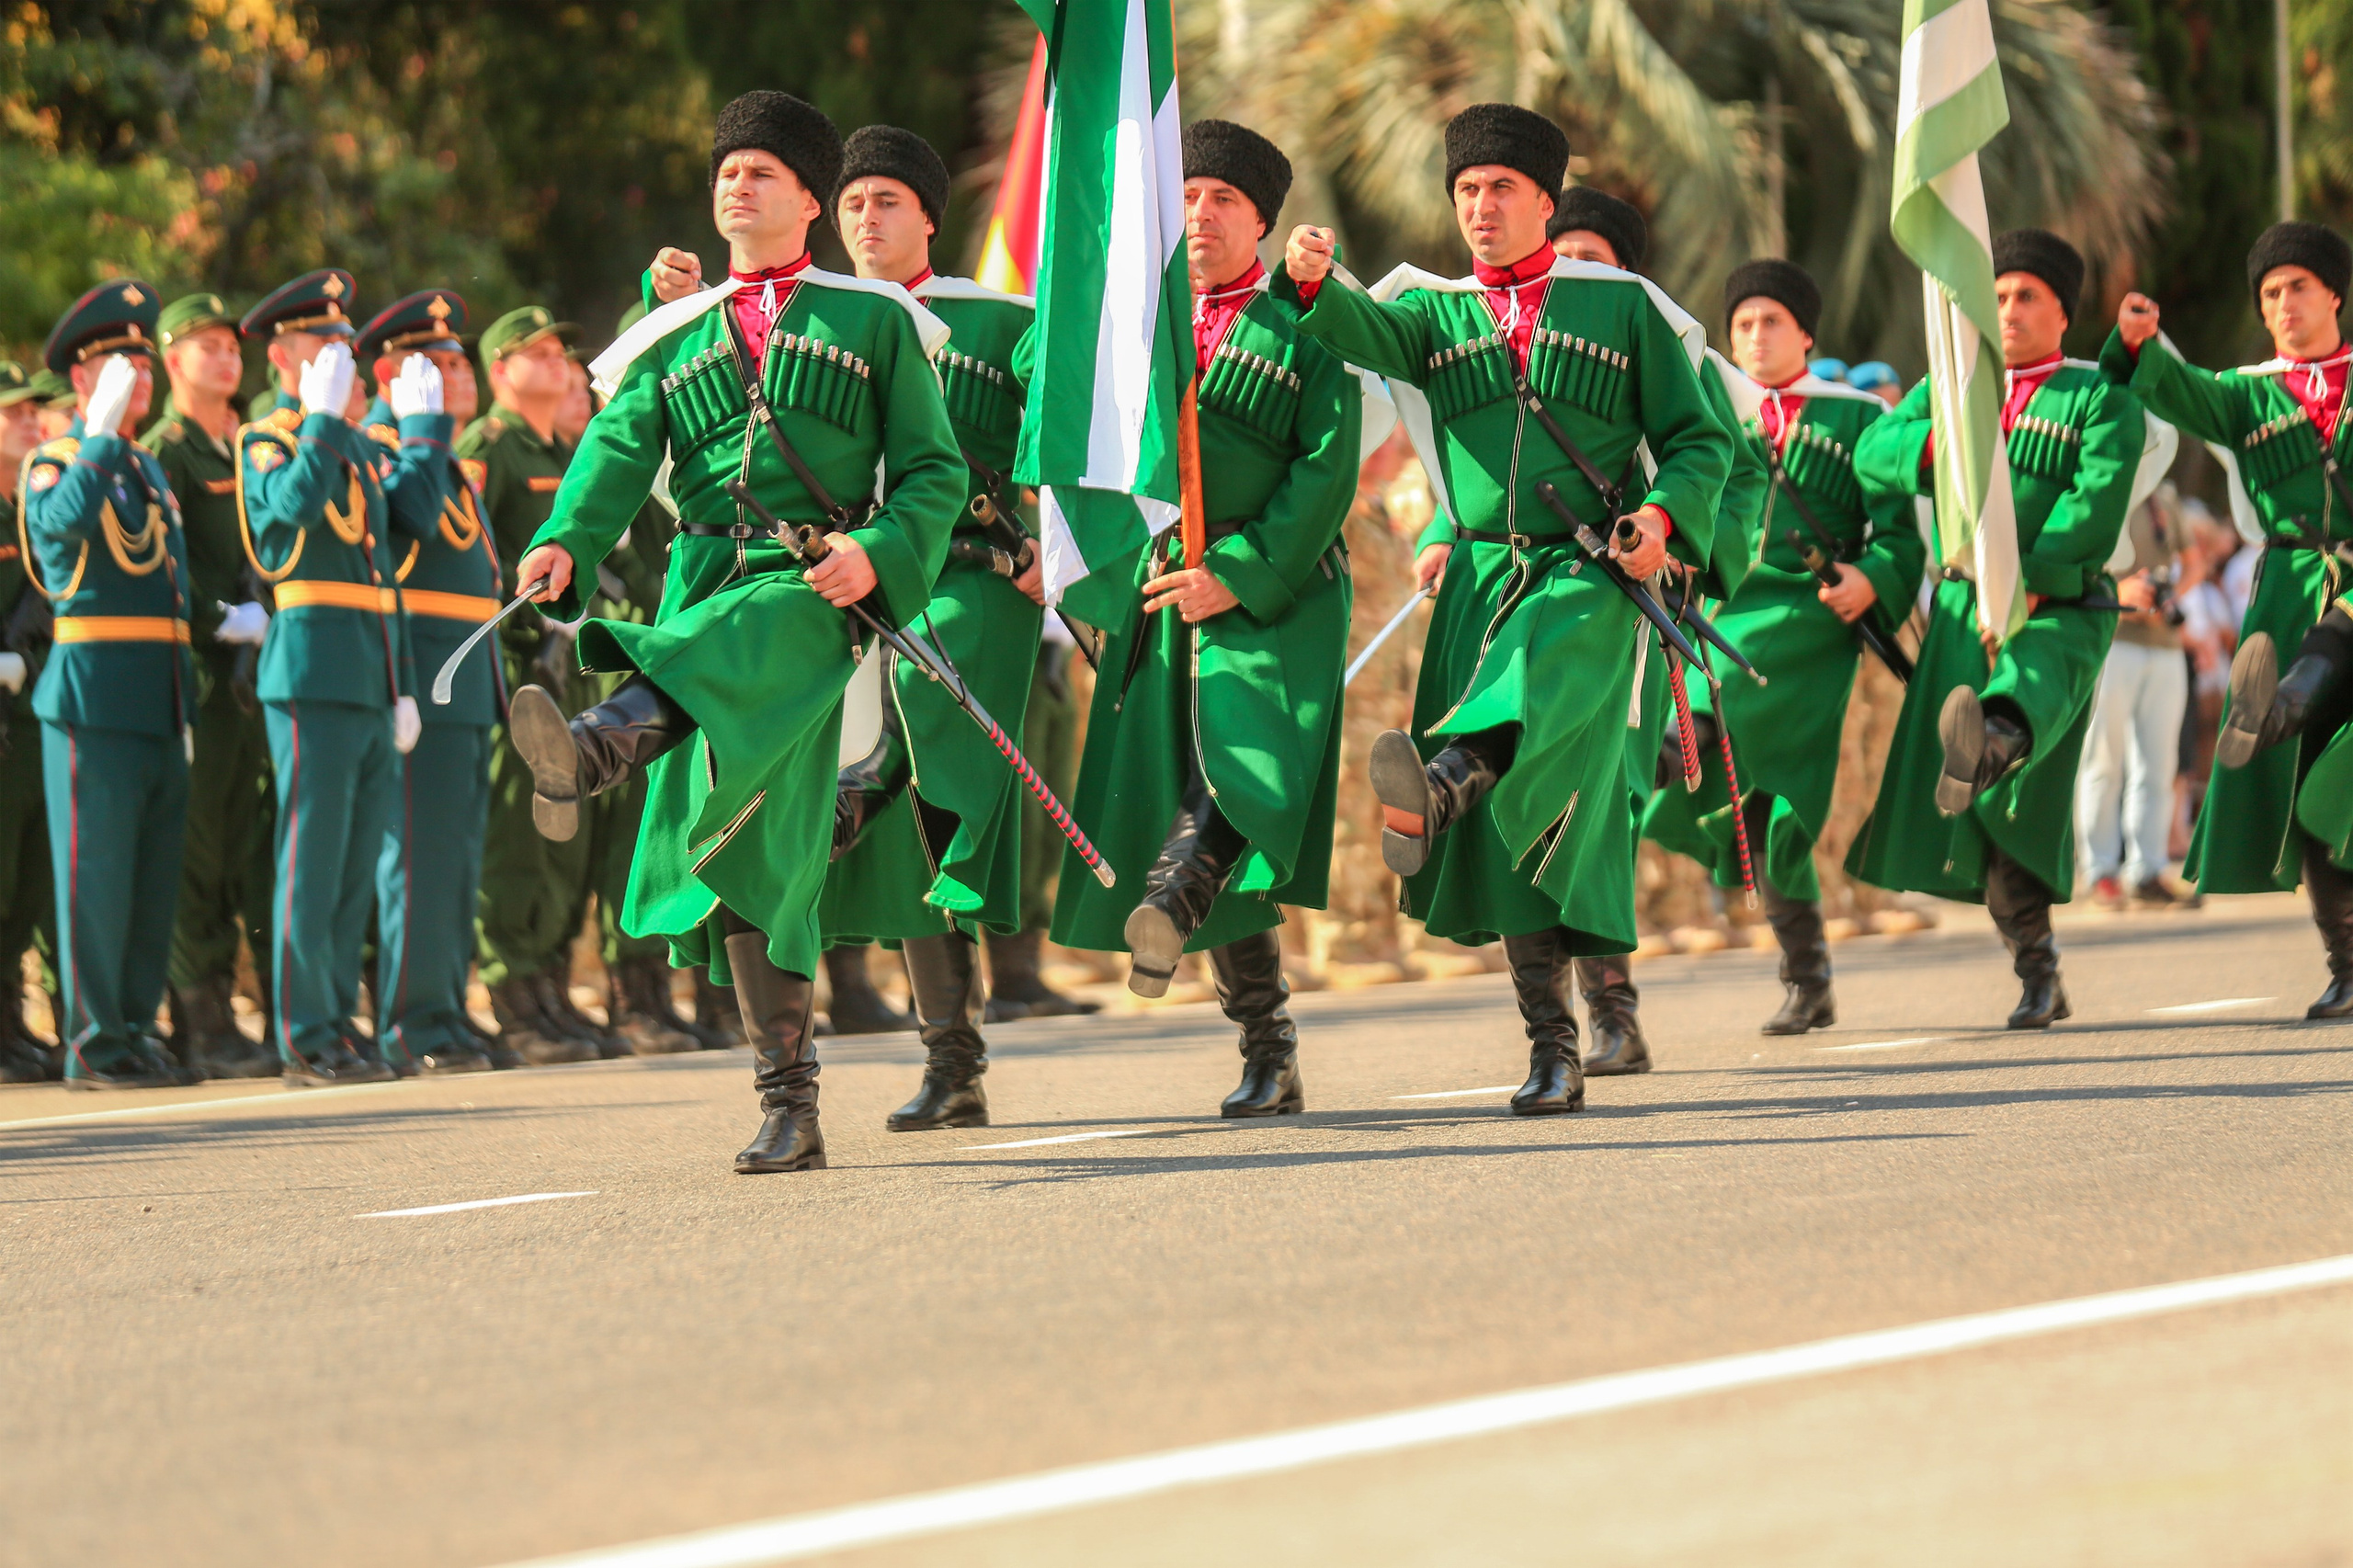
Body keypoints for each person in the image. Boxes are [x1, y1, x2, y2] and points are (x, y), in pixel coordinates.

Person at [508, 90, 966, 1173]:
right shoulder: (672, 335)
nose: (737, 184)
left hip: (817, 591)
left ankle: (593, 745)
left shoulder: (877, 321)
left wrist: (882, 552)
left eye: (761, 171)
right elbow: (617, 451)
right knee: (753, 842)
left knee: (744, 643)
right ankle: (789, 1102)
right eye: (725, 171)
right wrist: (566, 538)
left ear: (809, 199)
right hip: (702, 582)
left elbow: (937, 472)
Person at [1278, 104, 1728, 1113]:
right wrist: (1307, 274)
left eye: (1500, 189)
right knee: (1522, 817)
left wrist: (1660, 516)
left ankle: (1438, 783)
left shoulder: (1624, 308)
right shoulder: (1434, 314)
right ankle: (1552, 1047)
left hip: (1588, 578)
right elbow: (1357, 326)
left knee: (1532, 685)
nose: (1479, 206)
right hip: (1480, 579)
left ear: (1545, 201)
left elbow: (1703, 440)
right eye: (1465, 190)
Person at [1047, 119, 1359, 1118]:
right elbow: (1032, 368)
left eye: (1221, 199)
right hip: (1157, 587)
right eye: (1183, 199)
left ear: (1261, 219)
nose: (1199, 214)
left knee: (1240, 766)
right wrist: (1098, 276)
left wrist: (1239, 570)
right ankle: (1267, 1046)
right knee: (1182, 782)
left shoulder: (1305, 325)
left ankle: (1177, 896)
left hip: (1276, 588)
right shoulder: (1140, 321)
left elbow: (1326, 467)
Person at [805, 123, 1044, 1129]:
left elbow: (1067, 436)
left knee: (917, 696)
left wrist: (1057, 551)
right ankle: (954, 1065)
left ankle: (857, 797)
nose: (867, 217)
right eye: (852, 201)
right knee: (907, 840)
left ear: (929, 220)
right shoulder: (814, 320)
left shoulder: (998, 322)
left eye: (887, 200)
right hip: (846, 585)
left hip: (972, 581)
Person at [1849, 230, 2148, 1028]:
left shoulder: (2100, 399)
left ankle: (1989, 742)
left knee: (2022, 770)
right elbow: (1872, 451)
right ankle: (2038, 972)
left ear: (2062, 313)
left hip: (2057, 609)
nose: (2007, 311)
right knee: (1983, 825)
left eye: (2026, 297)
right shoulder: (1950, 390)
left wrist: (2023, 587)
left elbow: (2093, 511)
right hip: (1958, 611)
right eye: (1999, 295)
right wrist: (1938, 440)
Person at [1645, 260, 1923, 1037]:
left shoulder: (1861, 417)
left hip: (1810, 621)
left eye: (1771, 322)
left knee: (1749, 771)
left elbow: (1899, 537)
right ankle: (1810, 980)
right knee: (1766, 810)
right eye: (1742, 325)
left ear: (1806, 333)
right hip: (1722, 607)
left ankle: (1654, 761)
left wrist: (1874, 579)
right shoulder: (1709, 409)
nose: (1756, 337)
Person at [2107, 221, 2353, 1017]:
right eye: (2270, 293)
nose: (2282, 304)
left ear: (2335, 296)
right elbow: (2182, 393)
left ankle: (2280, 703)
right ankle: (2347, 964)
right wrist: (2142, 343)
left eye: (2298, 287)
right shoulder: (2250, 394)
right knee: (2308, 793)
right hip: (2286, 585)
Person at [1545, 190, 1767, 1071]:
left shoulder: (1682, 356)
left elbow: (1735, 474)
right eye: (1563, 256)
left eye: (1593, 257)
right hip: (1537, 600)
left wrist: (1686, 544)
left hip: (1636, 616)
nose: (1575, 272)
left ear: (1630, 271)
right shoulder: (1527, 338)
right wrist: (1444, 539)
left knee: (1603, 804)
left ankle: (1610, 1013)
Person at [238, 268, 452, 1085]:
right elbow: (285, 512)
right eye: (324, 346)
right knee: (312, 860)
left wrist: (426, 432)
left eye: (343, 345)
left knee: (354, 863)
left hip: (367, 674)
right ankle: (305, 1032)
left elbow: (407, 530)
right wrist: (321, 420)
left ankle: (337, 1022)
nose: (343, 358)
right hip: (308, 672)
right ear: (287, 357)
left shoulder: (358, 444)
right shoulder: (269, 437)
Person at [19, 281, 198, 1087]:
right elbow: (57, 538)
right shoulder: (55, 462)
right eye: (120, 360)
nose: (140, 371)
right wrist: (92, 438)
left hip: (157, 698)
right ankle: (93, 1041)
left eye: (143, 357)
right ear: (83, 379)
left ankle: (132, 1026)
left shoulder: (150, 471)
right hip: (91, 698)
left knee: (151, 882)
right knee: (96, 882)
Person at [353, 290, 503, 1074]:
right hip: (423, 674)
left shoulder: (441, 453)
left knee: (456, 858)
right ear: (395, 373)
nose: (459, 373)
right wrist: (421, 438)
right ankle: (412, 1023)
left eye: (459, 360)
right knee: (416, 856)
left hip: (466, 680)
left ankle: (446, 1006)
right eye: (439, 363)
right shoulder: (385, 450)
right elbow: (407, 528)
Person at [459, 305, 614, 1064]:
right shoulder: (488, 447)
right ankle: (514, 994)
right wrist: (524, 632)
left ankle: (549, 988)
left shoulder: (566, 448)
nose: (558, 362)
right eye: (538, 352)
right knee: (518, 840)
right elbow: (475, 561)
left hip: (567, 667)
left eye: (561, 350)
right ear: (500, 371)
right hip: (521, 670)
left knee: (563, 839)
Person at [143, 292, 279, 1079]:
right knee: (197, 854)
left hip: (251, 675)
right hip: (205, 669)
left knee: (238, 847)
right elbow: (159, 555)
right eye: (206, 345)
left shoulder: (246, 441)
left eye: (232, 346)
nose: (226, 357)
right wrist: (214, 619)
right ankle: (199, 1020)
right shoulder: (171, 447)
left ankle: (226, 1011)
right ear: (173, 360)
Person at [2075, 482, 2192, 909]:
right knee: (2103, 759)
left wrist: (2169, 596)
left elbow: (2192, 558)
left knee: (2159, 765)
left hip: (2164, 644)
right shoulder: (2105, 481)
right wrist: (2120, 591)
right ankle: (2100, 869)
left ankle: (2148, 869)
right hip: (2113, 639)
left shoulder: (2164, 496)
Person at [0, 360, 61, 1083]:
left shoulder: (29, 509)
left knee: (25, 882)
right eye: (13, 412)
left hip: (29, 717)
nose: (27, 421)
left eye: (32, 412)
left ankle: (10, 1021)